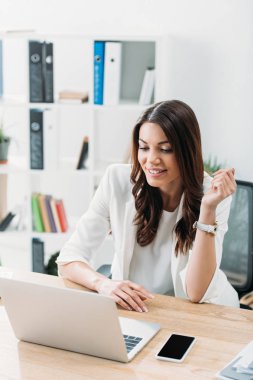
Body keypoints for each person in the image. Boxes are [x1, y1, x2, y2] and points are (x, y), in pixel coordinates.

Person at [57, 100, 239, 311]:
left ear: (187, 151)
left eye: (165, 149)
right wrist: (103, 284)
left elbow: (197, 293)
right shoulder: (116, 180)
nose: (151, 160)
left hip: (199, 312)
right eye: (144, 147)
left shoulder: (213, 196)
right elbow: (69, 259)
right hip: (136, 308)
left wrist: (207, 210)